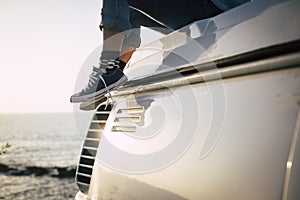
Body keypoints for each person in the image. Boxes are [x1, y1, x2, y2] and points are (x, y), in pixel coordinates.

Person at [70, 0, 249, 103]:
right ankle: (115, 71)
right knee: (130, 12)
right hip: (202, 7)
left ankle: (107, 70)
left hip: (216, 6)